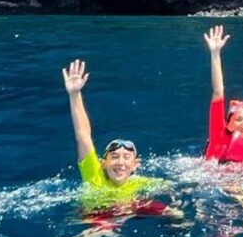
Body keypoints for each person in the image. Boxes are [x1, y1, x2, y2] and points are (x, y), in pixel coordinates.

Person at [62, 59, 172, 216]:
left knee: (175, 214)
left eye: (126, 157)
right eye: (114, 157)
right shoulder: (95, 177)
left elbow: (173, 186)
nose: (120, 162)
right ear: (103, 164)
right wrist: (75, 94)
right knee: (103, 235)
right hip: (98, 215)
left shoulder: (140, 182)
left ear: (135, 165)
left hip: (128, 208)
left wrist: (176, 196)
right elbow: (83, 135)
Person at [203, 25, 243, 163]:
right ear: (228, 124)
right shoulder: (218, 136)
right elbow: (218, 92)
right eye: (238, 119)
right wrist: (215, 54)